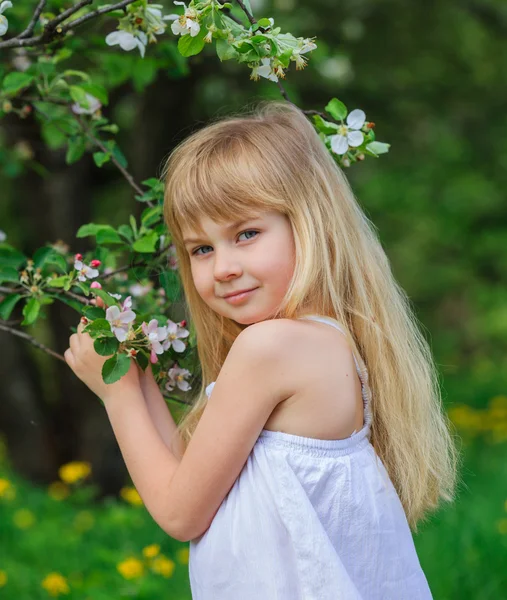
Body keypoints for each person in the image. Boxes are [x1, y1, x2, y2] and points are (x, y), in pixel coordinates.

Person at [66, 100, 460, 599]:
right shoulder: (328, 340)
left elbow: (181, 513)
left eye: (246, 234)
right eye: (201, 249)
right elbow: (193, 480)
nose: (222, 267)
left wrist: (115, 395)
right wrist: (137, 378)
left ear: (309, 223)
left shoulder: (270, 348)